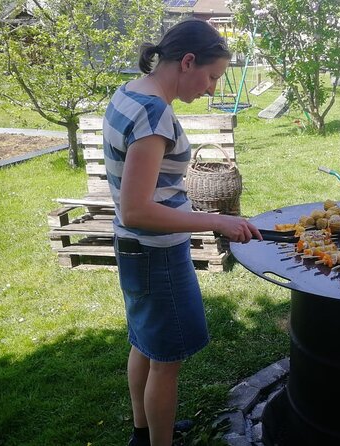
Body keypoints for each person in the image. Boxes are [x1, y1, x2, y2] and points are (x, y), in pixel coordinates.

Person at [103, 19, 262, 446]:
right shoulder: (154, 115)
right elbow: (138, 210)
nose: (211, 89)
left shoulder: (130, 92)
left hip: (134, 248)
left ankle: (145, 432)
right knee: (167, 361)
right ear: (187, 61)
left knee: (145, 343)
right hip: (155, 253)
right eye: (211, 76)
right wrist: (217, 220)